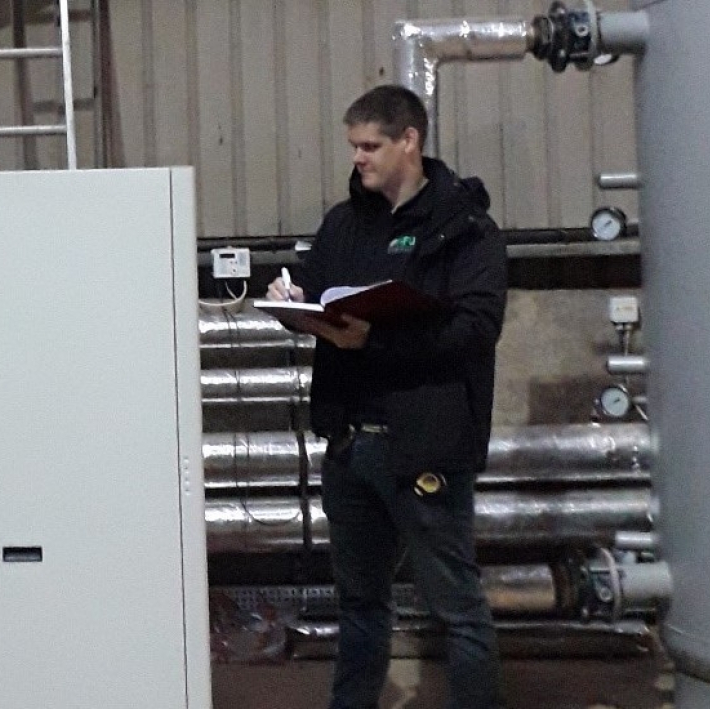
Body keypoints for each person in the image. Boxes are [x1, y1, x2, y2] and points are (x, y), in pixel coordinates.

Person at [268, 85, 507, 709]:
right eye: (353, 147)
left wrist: (375, 340)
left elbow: (476, 330)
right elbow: (322, 299)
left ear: (411, 142)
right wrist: (293, 307)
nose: (359, 159)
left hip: (424, 448)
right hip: (350, 445)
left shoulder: (465, 230)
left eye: (371, 146)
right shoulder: (344, 224)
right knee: (361, 603)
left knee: (457, 606)